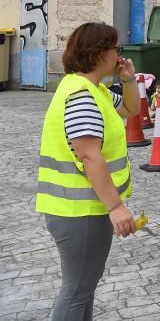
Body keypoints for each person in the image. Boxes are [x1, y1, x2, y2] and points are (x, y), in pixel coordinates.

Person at [36, 22, 140, 319]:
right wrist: (116, 206)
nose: (119, 54)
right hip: (78, 210)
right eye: (115, 48)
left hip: (81, 208)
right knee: (77, 292)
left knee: (83, 289)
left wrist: (129, 80)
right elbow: (89, 156)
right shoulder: (83, 96)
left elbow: (131, 110)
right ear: (98, 53)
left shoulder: (93, 90)